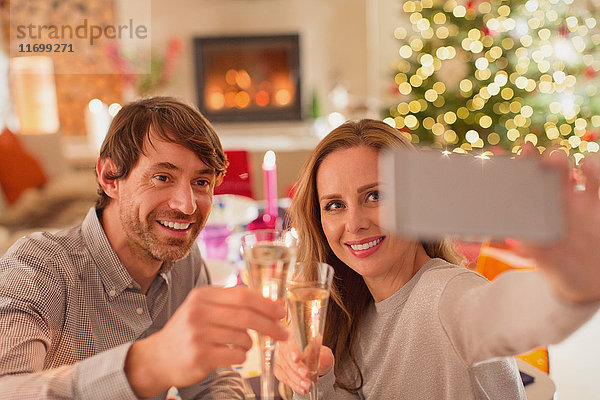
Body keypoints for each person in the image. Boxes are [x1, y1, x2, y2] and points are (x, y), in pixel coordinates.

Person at [274, 119, 600, 399]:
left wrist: (572, 285)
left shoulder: (447, 295)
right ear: (319, 220)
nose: (354, 222)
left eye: (375, 196)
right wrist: (313, 377)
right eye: (335, 205)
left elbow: (512, 314)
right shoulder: (349, 312)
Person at [0, 96, 288, 399]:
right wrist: (148, 364)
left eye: (201, 182)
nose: (187, 205)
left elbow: (212, 381)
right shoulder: (35, 268)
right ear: (110, 177)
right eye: (162, 178)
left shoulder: (186, 263)